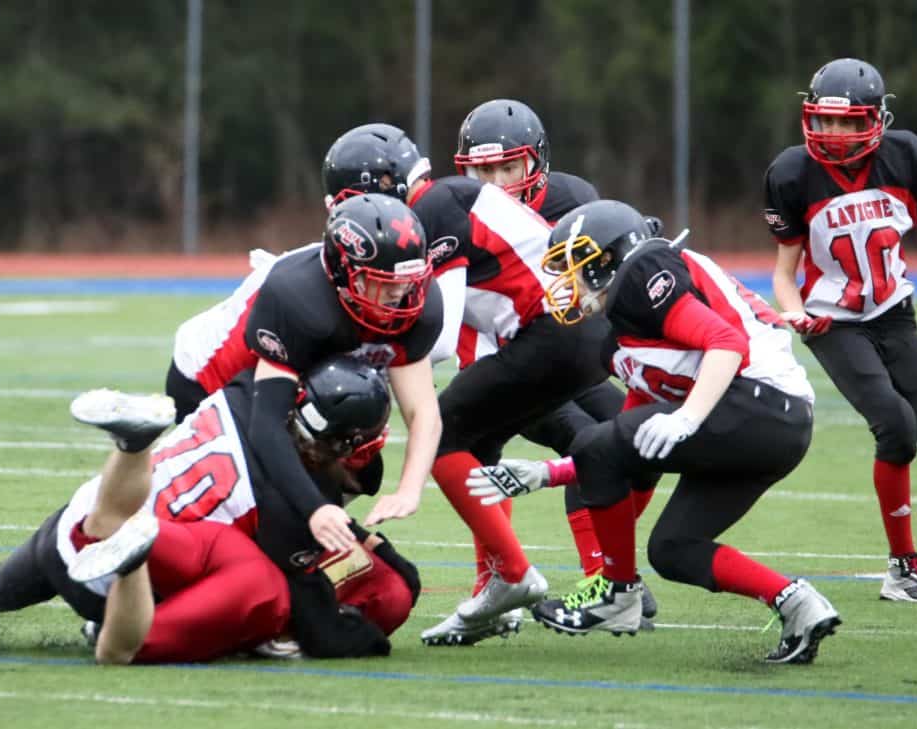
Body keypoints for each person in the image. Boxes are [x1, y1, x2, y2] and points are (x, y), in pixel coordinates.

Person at [467, 200, 841, 664]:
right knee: (672, 549)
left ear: (607, 259)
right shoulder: (619, 339)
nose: (568, 283)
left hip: (756, 401)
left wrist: (686, 418)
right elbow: (624, 446)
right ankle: (798, 602)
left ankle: (618, 595)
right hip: (772, 427)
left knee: (598, 446)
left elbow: (727, 344)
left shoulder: (643, 271)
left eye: (576, 267)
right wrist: (547, 473)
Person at [323, 123, 617, 646]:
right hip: (570, 330)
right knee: (479, 449)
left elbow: (436, 333)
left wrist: (369, 352)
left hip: (557, 329)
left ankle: (514, 575)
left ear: (387, 182)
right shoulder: (445, 202)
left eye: (359, 197)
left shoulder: (435, 208)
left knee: (443, 433)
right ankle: (493, 597)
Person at [0, 356, 421, 663]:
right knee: (266, 592)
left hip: (80, 516)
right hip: (117, 583)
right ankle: (126, 631)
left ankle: (132, 452)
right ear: (340, 447)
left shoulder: (251, 386)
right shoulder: (289, 515)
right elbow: (307, 613)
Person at [764, 57, 917, 602]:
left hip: (894, 314)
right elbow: (784, 273)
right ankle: (902, 567)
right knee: (896, 427)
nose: (835, 134)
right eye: (825, 121)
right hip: (832, 321)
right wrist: (795, 315)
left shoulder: (907, 159)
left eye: (849, 122)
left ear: (876, 120)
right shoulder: (792, 174)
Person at [453, 98, 660, 624]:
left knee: (633, 436)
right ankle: (590, 579)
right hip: (501, 360)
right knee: (585, 446)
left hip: (568, 351)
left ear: (536, 162)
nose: (496, 182)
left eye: (509, 166)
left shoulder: (572, 200)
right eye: (483, 170)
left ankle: (614, 573)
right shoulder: (457, 211)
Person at [166, 193, 443, 554]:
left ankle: (294, 538)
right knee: (259, 502)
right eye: (385, 280)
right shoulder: (300, 298)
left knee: (363, 462)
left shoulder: (416, 301)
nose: (401, 292)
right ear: (345, 272)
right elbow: (266, 424)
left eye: (408, 278)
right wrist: (314, 508)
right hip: (211, 380)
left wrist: (409, 489)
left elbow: (422, 410)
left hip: (301, 375)